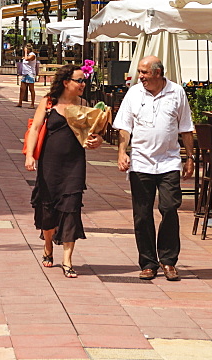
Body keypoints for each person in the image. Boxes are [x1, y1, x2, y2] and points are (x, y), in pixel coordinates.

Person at [114, 55, 194, 282]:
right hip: (140, 161)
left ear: (158, 73)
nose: (140, 77)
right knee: (142, 214)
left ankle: (168, 260)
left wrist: (190, 157)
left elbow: (186, 127)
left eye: (144, 72)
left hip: (169, 161)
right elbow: (123, 127)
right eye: (140, 72)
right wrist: (122, 153)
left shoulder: (176, 92)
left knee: (169, 208)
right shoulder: (134, 93)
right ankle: (148, 263)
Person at [26, 64, 104, 278]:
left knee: (71, 209)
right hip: (49, 164)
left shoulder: (85, 105)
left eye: (83, 80)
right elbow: (34, 129)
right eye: (79, 80)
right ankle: (48, 245)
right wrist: (30, 155)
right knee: (48, 209)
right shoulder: (49, 102)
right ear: (65, 82)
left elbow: (95, 133)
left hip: (75, 164)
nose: (83, 84)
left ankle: (68, 260)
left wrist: (97, 140)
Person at [17, 44, 38, 108]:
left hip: (30, 74)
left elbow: (27, 59)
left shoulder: (32, 55)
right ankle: (20, 103)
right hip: (25, 73)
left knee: (31, 89)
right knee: (22, 88)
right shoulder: (28, 55)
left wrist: (25, 52)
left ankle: (32, 104)